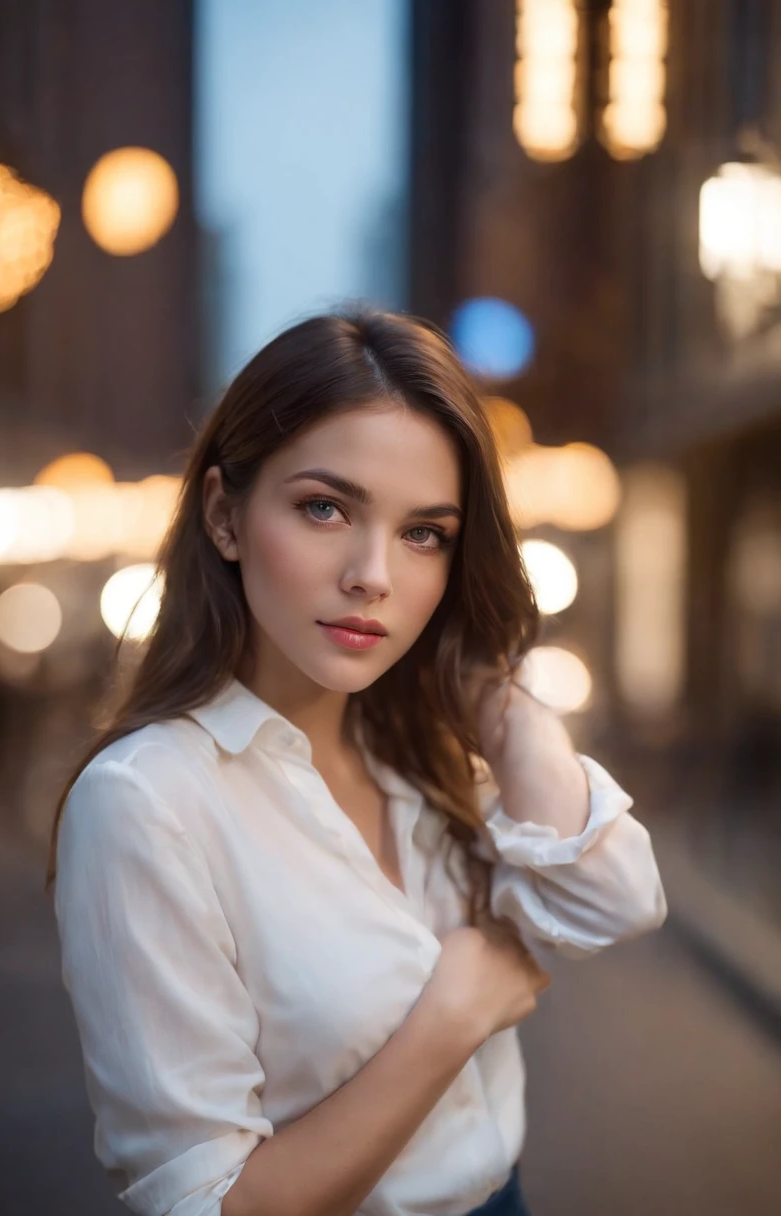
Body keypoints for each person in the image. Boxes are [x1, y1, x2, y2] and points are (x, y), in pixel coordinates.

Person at [47, 310, 667, 1216]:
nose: (373, 574)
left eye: (426, 533)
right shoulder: (147, 801)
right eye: (325, 508)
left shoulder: (418, 756)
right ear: (224, 515)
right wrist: (453, 1013)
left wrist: (498, 705)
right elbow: (207, 1203)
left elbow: (615, 902)